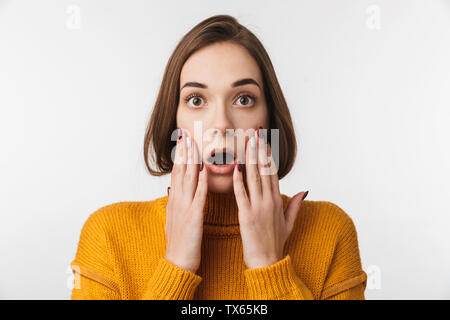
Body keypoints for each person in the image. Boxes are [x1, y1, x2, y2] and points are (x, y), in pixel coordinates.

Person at [70, 14, 367, 300]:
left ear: (269, 119)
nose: (222, 124)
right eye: (196, 100)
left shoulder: (329, 231)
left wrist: (268, 266)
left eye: (244, 99)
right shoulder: (108, 235)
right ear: (173, 120)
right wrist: (175, 266)